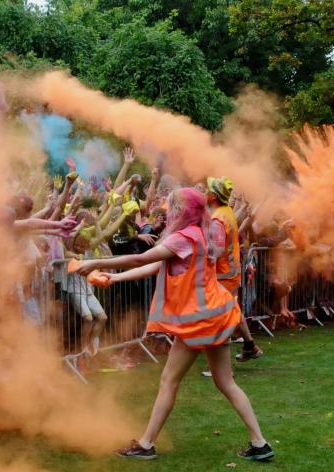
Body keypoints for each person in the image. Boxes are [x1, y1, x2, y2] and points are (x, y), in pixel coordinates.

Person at [75, 188, 273, 461]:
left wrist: (96, 262)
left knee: (169, 381)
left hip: (200, 321)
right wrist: (115, 278)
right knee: (226, 383)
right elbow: (155, 266)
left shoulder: (184, 238)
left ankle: (146, 444)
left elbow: (141, 258)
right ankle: (260, 443)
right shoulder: (200, 235)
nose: (168, 211)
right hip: (216, 314)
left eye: (172, 206)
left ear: (182, 211)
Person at [206, 177, 262, 362]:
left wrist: (202, 255)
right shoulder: (226, 211)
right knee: (232, 311)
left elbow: (219, 249)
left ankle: (222, 365)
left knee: (222, 318)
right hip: (229, 272)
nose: (205, 192)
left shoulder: (217, 218)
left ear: (213, 196)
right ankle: (249, 345)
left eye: (208, 190)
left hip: (223, 274)